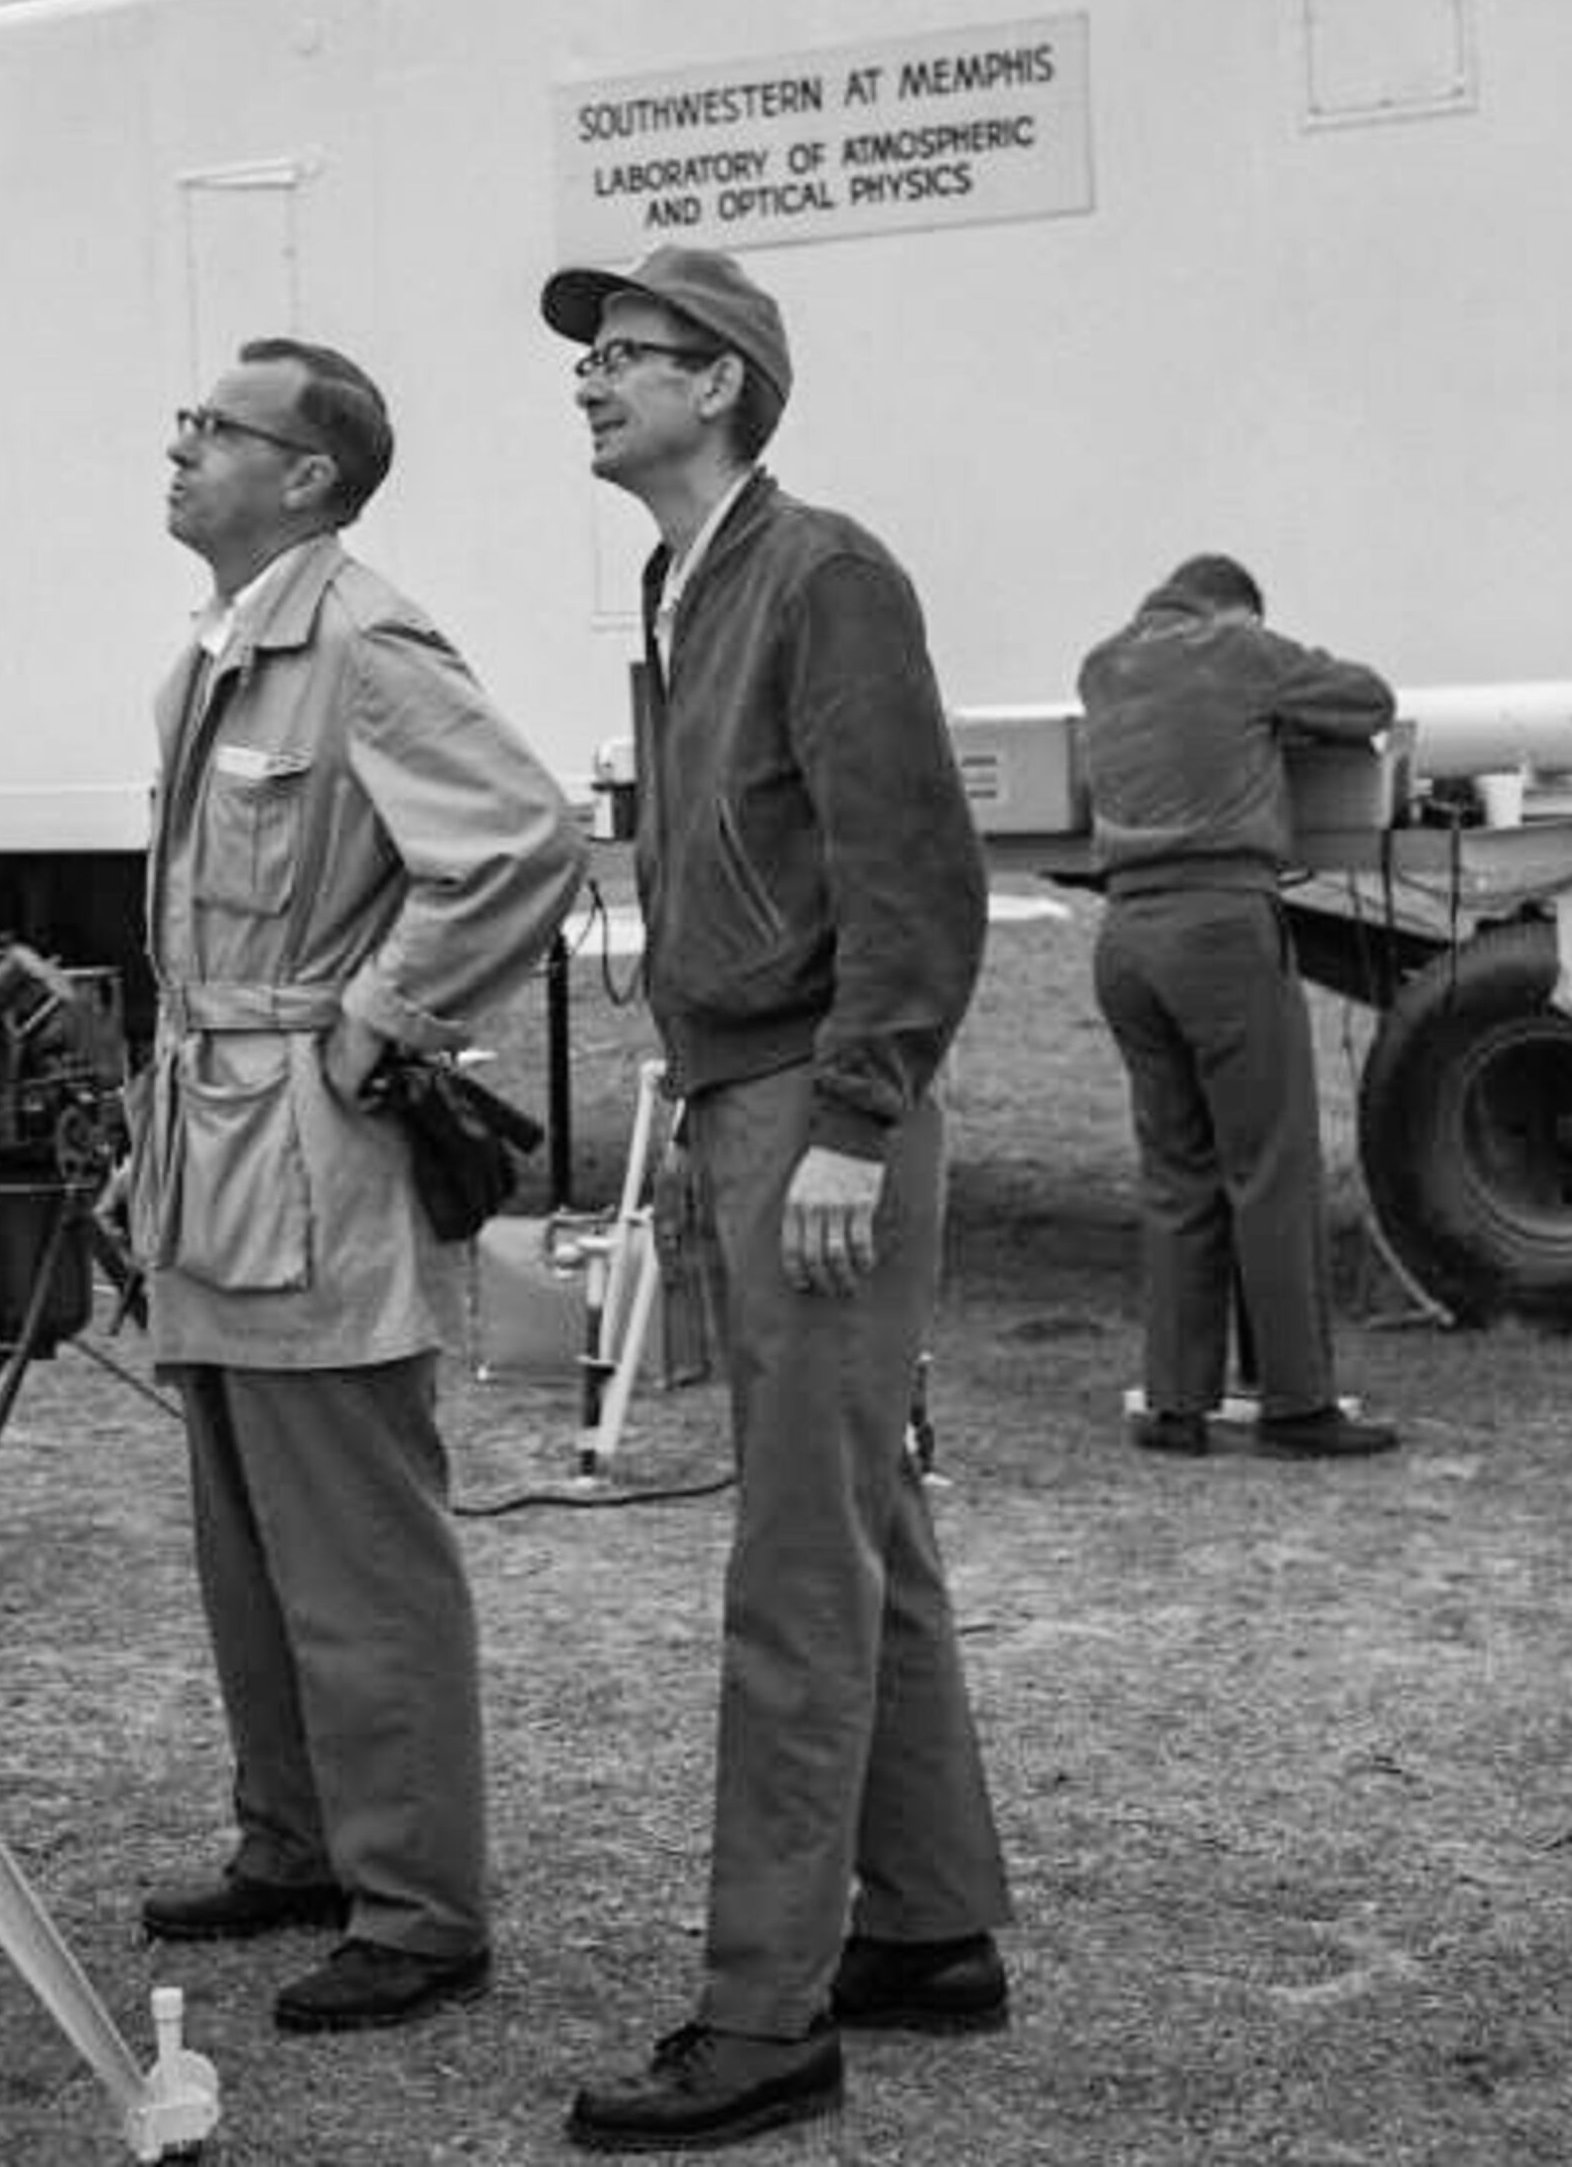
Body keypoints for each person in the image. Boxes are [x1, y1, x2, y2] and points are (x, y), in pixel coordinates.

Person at [537, 243, 1015, 2156]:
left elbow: (917, 871)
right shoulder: (689, 584)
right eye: (589, 357)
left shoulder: (822, 573)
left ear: (721, 379)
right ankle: (930, 1923)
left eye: (624, 353)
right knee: (858, 1512)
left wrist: (855, 1114)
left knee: (796, 1566)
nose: (589, 380)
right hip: (747, 1091)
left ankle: (764, 2015)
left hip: (815, 1107)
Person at [129, 336, 583, 2037]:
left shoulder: (365, 645)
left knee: (356, 1544)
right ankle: (300, 1839)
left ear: (308, 476)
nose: (180, 445)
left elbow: (521, 839)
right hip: (211, 1137)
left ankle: (419, 1906)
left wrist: (380, 1018)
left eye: (216, 427)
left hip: (303, 1148)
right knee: (248, 1531)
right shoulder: (223, 653)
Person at [1075, 553, 1401, 1461]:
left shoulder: (1102, 666)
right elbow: (1369, 699)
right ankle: (1296, 1405)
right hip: (1219, 927)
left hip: (1126, 936)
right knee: (1269, 1168)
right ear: (1239, 611)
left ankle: (1176, 1406)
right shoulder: (1239, 648)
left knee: (1177, 1173)